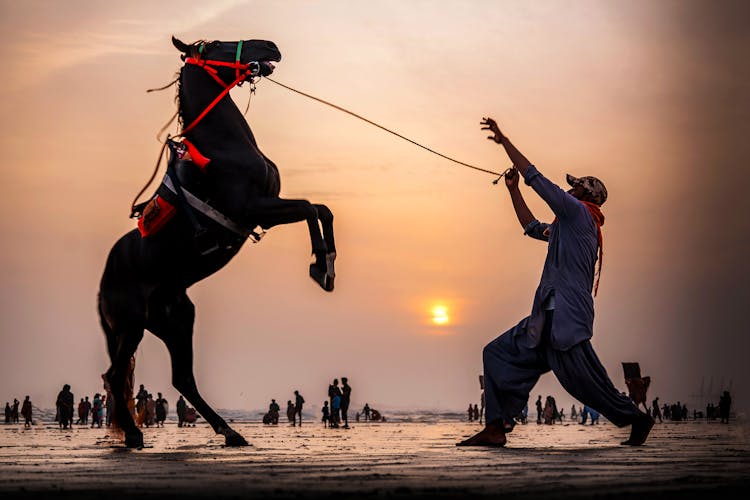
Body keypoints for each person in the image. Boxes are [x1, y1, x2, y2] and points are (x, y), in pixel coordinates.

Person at [458, 118, 653, 448]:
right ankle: (496, 426)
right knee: (496, 354)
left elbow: (538, 179)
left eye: (575, 187)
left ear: (584, 196)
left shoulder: (579, 215)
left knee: (589, 386)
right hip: (543, 321)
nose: (568, 189)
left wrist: (504, 140)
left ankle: (638, 419)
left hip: (565, 321)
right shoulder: (567, 226)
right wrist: (513, 190)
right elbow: (532, 226)